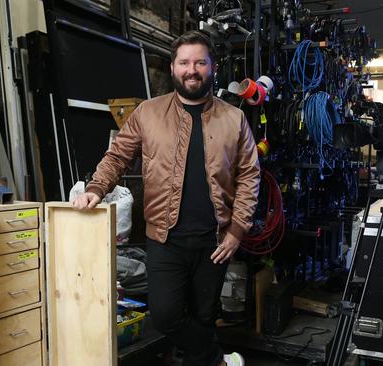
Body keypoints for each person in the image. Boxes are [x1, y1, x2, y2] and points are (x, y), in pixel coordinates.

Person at [71, 31, 260, 366]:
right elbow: (117, 157)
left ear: (211, 67)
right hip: (165, 238)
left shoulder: (234, 119)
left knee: (204, 316)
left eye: (200, 62)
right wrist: (95, 189)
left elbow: (249, 176)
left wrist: (236, 231)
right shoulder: (148, 113)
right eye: (184, 62)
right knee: (166, 316)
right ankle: (218, 359)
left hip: (213, 241)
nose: (192, 69)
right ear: (173, 67)